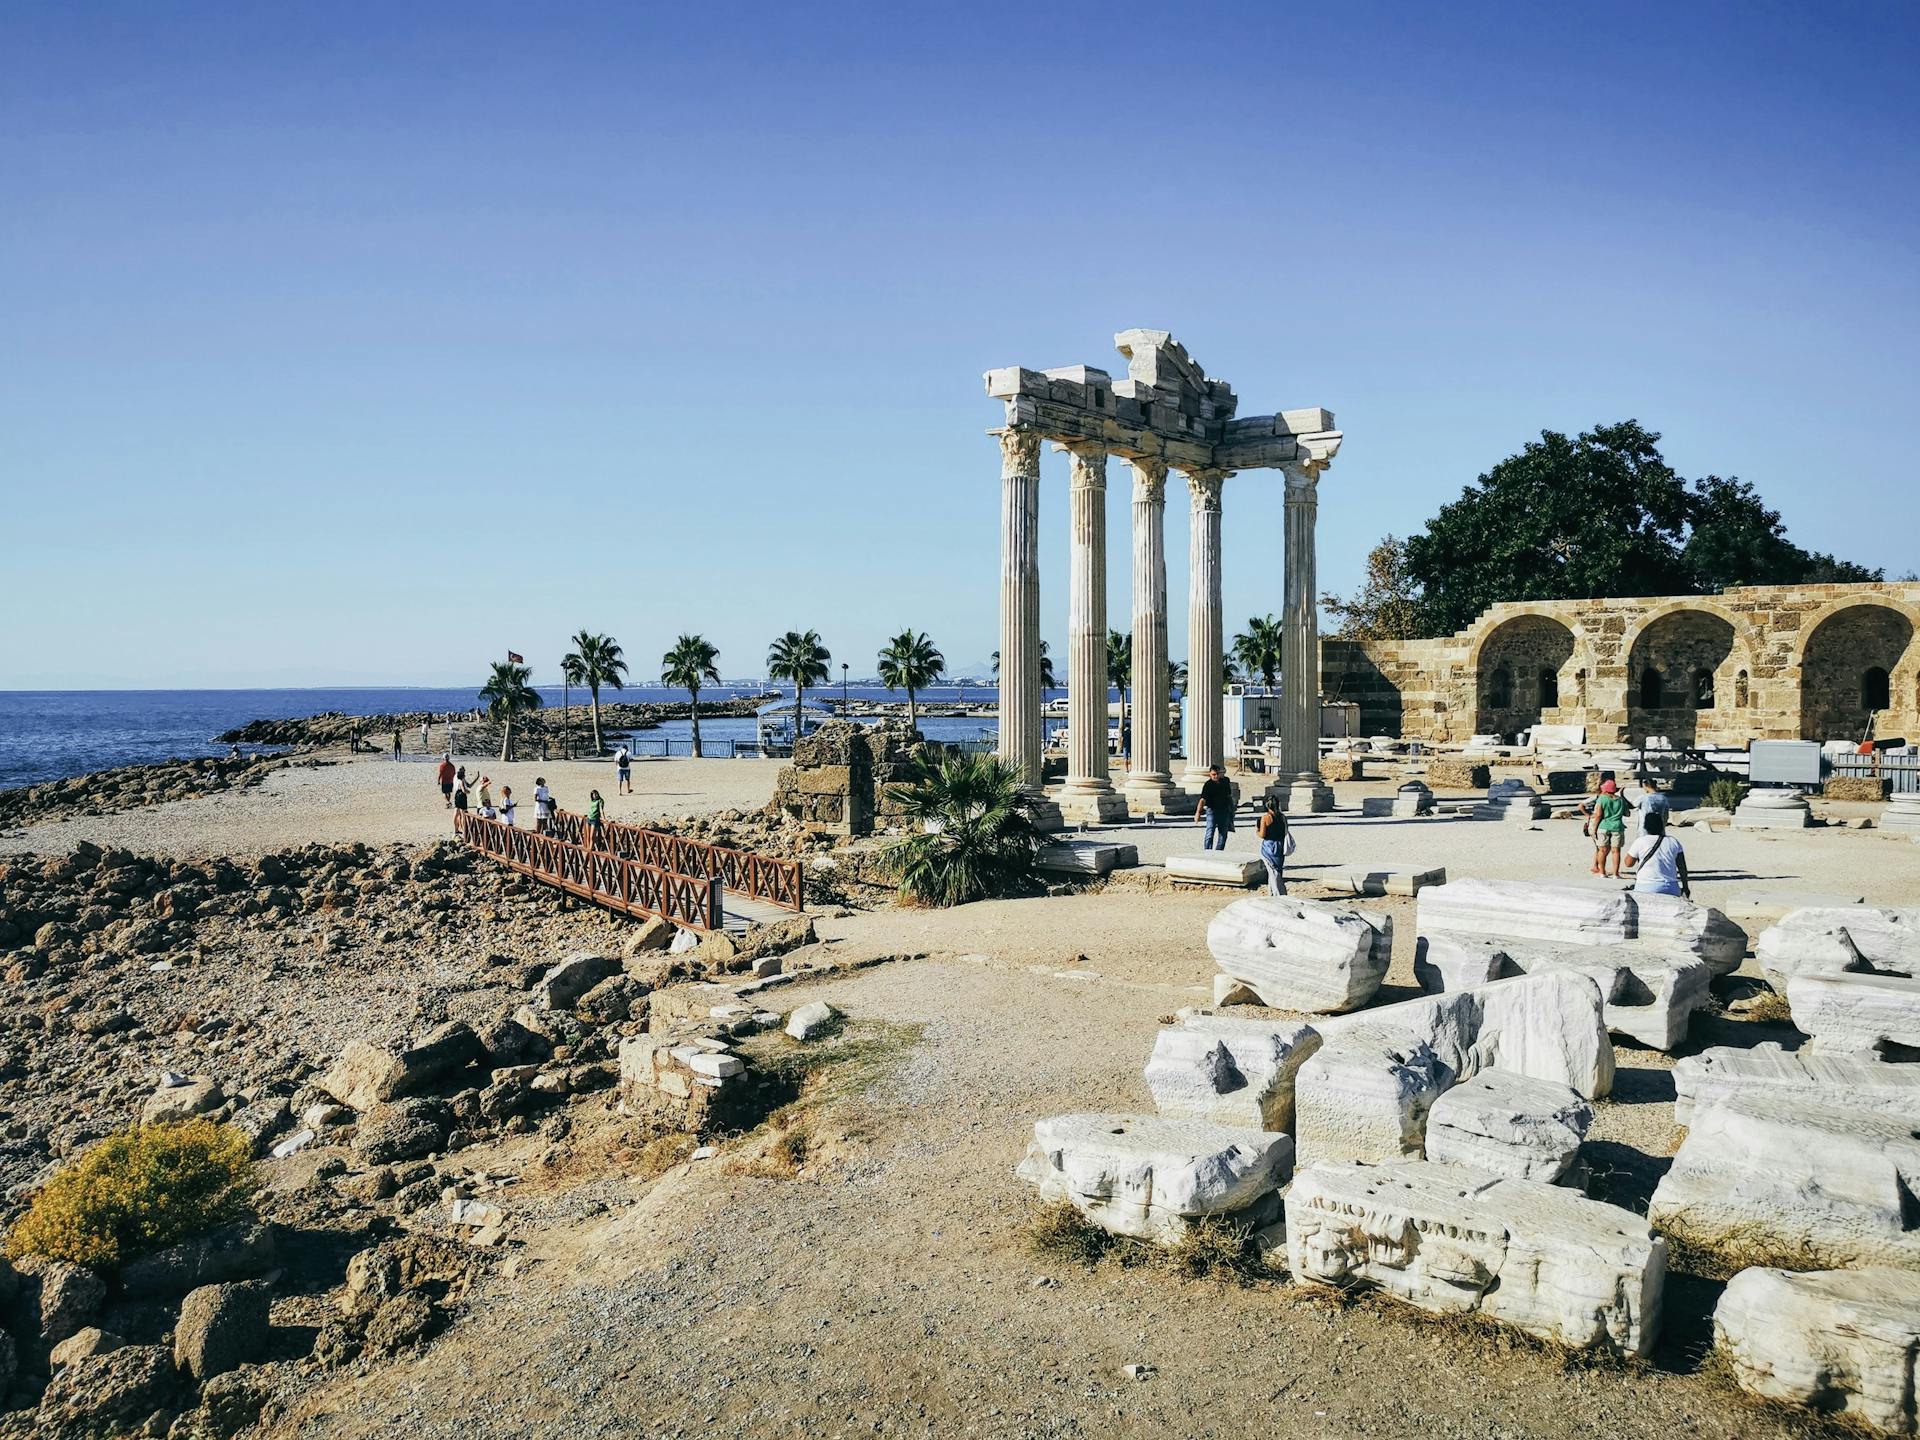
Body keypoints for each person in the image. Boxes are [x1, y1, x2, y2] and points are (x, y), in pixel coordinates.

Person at [1625, 810, 1690, 897]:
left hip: (1646, 885)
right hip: (1670, 886)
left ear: (1645, 826)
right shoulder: (1673, 841)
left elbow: (1628, 863)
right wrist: (1685, 887)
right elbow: (1682, 867)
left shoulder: (1640, 841)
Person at [1582, 779, 1628, 878]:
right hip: (1617, 826)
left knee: (1602, 850)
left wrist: (1594, 828)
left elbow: (1598, 815)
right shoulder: (1620, 799)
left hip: (1603, 826)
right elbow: (1627, 813)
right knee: (1616, 851)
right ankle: (1615, 873)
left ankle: (1602, 872)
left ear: (1605, 789)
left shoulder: (1602, 799)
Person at [1254, 794, 1290, 895]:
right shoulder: (1283, 817)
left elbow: (1262, 835)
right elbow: (1285, 831)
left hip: (1269, 847)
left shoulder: (1266, 818)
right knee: (1277, 870)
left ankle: (1279, 894)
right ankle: (1272, 893)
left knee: (1273, 872)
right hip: (1280, 845)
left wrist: (1256, 830)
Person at [1194, 764, 1236, 851]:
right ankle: (1207, 852)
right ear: (1210, 774)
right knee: (1210, 832)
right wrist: (1198, 813)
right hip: (1212, 810)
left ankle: (1219, 852)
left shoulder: (1225, 781)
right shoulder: (1208, 785)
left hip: (1224, 810)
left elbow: (1229, 796)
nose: (1215, 776)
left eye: (1217, 774)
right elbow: (1202, 800)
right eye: (1213, 774)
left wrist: (1232, 809)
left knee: (1223, 834)